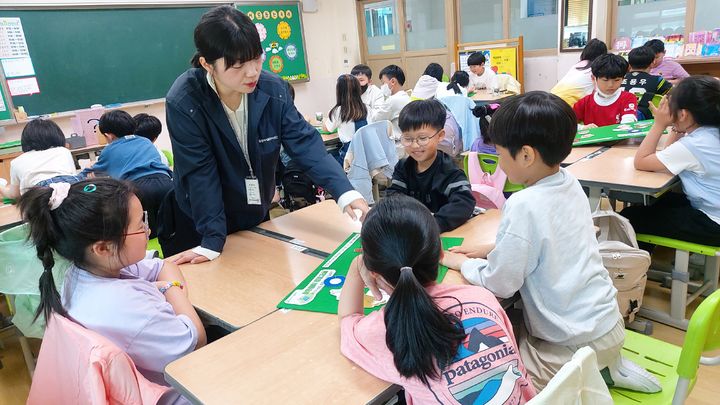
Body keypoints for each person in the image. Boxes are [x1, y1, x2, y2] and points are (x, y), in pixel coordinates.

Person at [441, 91, 661, 393]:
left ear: (527, 155)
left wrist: (464, 263)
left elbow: (500, 283)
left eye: (502, 155)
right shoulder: (569, 181)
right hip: (610, 324)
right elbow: (554, 237)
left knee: (506, 378)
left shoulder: (523, 203)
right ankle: (610, 368)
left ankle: (589, 380)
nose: (501, 164)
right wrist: (493, 248)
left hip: (571, 344)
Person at [163, 6, 367, 263]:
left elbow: (305, 144)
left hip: (253, 210)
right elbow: (200, 173)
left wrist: (346, 192)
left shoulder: (273, 90)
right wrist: (212, 240)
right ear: (207, 64)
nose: (252, 72)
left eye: (257, 58)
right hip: (201, 224)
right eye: (237, 65)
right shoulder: (185, 101)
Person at [18, 178, 206, 403]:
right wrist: (170, 288)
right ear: (103, 247)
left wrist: (159, 288)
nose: (148, 229)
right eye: (140, 225)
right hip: (177, 393)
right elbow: (196, 342)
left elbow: (163, 265)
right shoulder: (126, 308)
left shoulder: (83, 272)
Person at [339, 195, 536, 404]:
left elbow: (348, 320)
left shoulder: (384, 330)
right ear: (441, 253)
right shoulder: (482, 297)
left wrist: (355, 267)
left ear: (375, 274)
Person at [621, 76, 720, 248]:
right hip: (712, 210)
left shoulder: (694, 144)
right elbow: (668, 156)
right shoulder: (710, 132)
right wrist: (677, 125)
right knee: (654, 202)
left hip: (712, 223)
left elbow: (642, 161)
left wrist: (659, 124)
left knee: (629, 216)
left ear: (683, 114)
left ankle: (637, 267)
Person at [80, 110, 172, 239]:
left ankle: (148, 255)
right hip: (166, 183)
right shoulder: (145, 141)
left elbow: (89, 174)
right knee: (170, 225)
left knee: (143, 230)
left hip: (140, 188)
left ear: (109, 135)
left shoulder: (109, 149)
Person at [386, 99, 474, 232]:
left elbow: (464, 203)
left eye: (422, 138)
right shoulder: (403, 167)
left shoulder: (450, 172)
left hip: (442, 234)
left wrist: (433, 224)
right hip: (412, 231)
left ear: (440, 136)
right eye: (408, 139)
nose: (415, 145)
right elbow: (393, 197)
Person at [1, 119, 78, 199]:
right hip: (71, 196)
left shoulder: (17, 162)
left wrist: (1, 186)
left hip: (38, 198)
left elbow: (14, 195)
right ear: (58, 137)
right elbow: (73, 177)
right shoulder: (63, 151)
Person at [573, 53, 638, 129]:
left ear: (623, 79)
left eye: (617, 80)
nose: (611, 85)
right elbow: (565, 123)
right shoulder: (584, 102)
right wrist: (582, 128)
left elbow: (629, 120)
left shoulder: (628, 98)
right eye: (605, 80)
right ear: (594, 78)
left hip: (620, 140)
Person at [324, 74, 368, 166]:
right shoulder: (364, 107)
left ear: (339, 91)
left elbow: (327, 129)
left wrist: (328, 116)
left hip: (348, 157)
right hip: (364, 154)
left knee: (325, 159)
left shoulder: (339, 110)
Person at [551, 38, 608, 106]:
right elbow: (600, 96)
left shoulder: (578, 65)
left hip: (551, 97)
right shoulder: (596, 69)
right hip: (566, 105)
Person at [622, 45, 673, 120]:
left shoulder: (619, 79)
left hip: (621, 117)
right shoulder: (658, 80)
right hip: (645, 120)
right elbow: (673, 95)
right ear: (653, 63)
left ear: (629, 64)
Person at [370, 64, 411, 142]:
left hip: (397, 145)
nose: (382, 86)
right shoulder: (405, 96)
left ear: (392, 81)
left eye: (383, 83)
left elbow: (375, 120)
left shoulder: (393, 100)